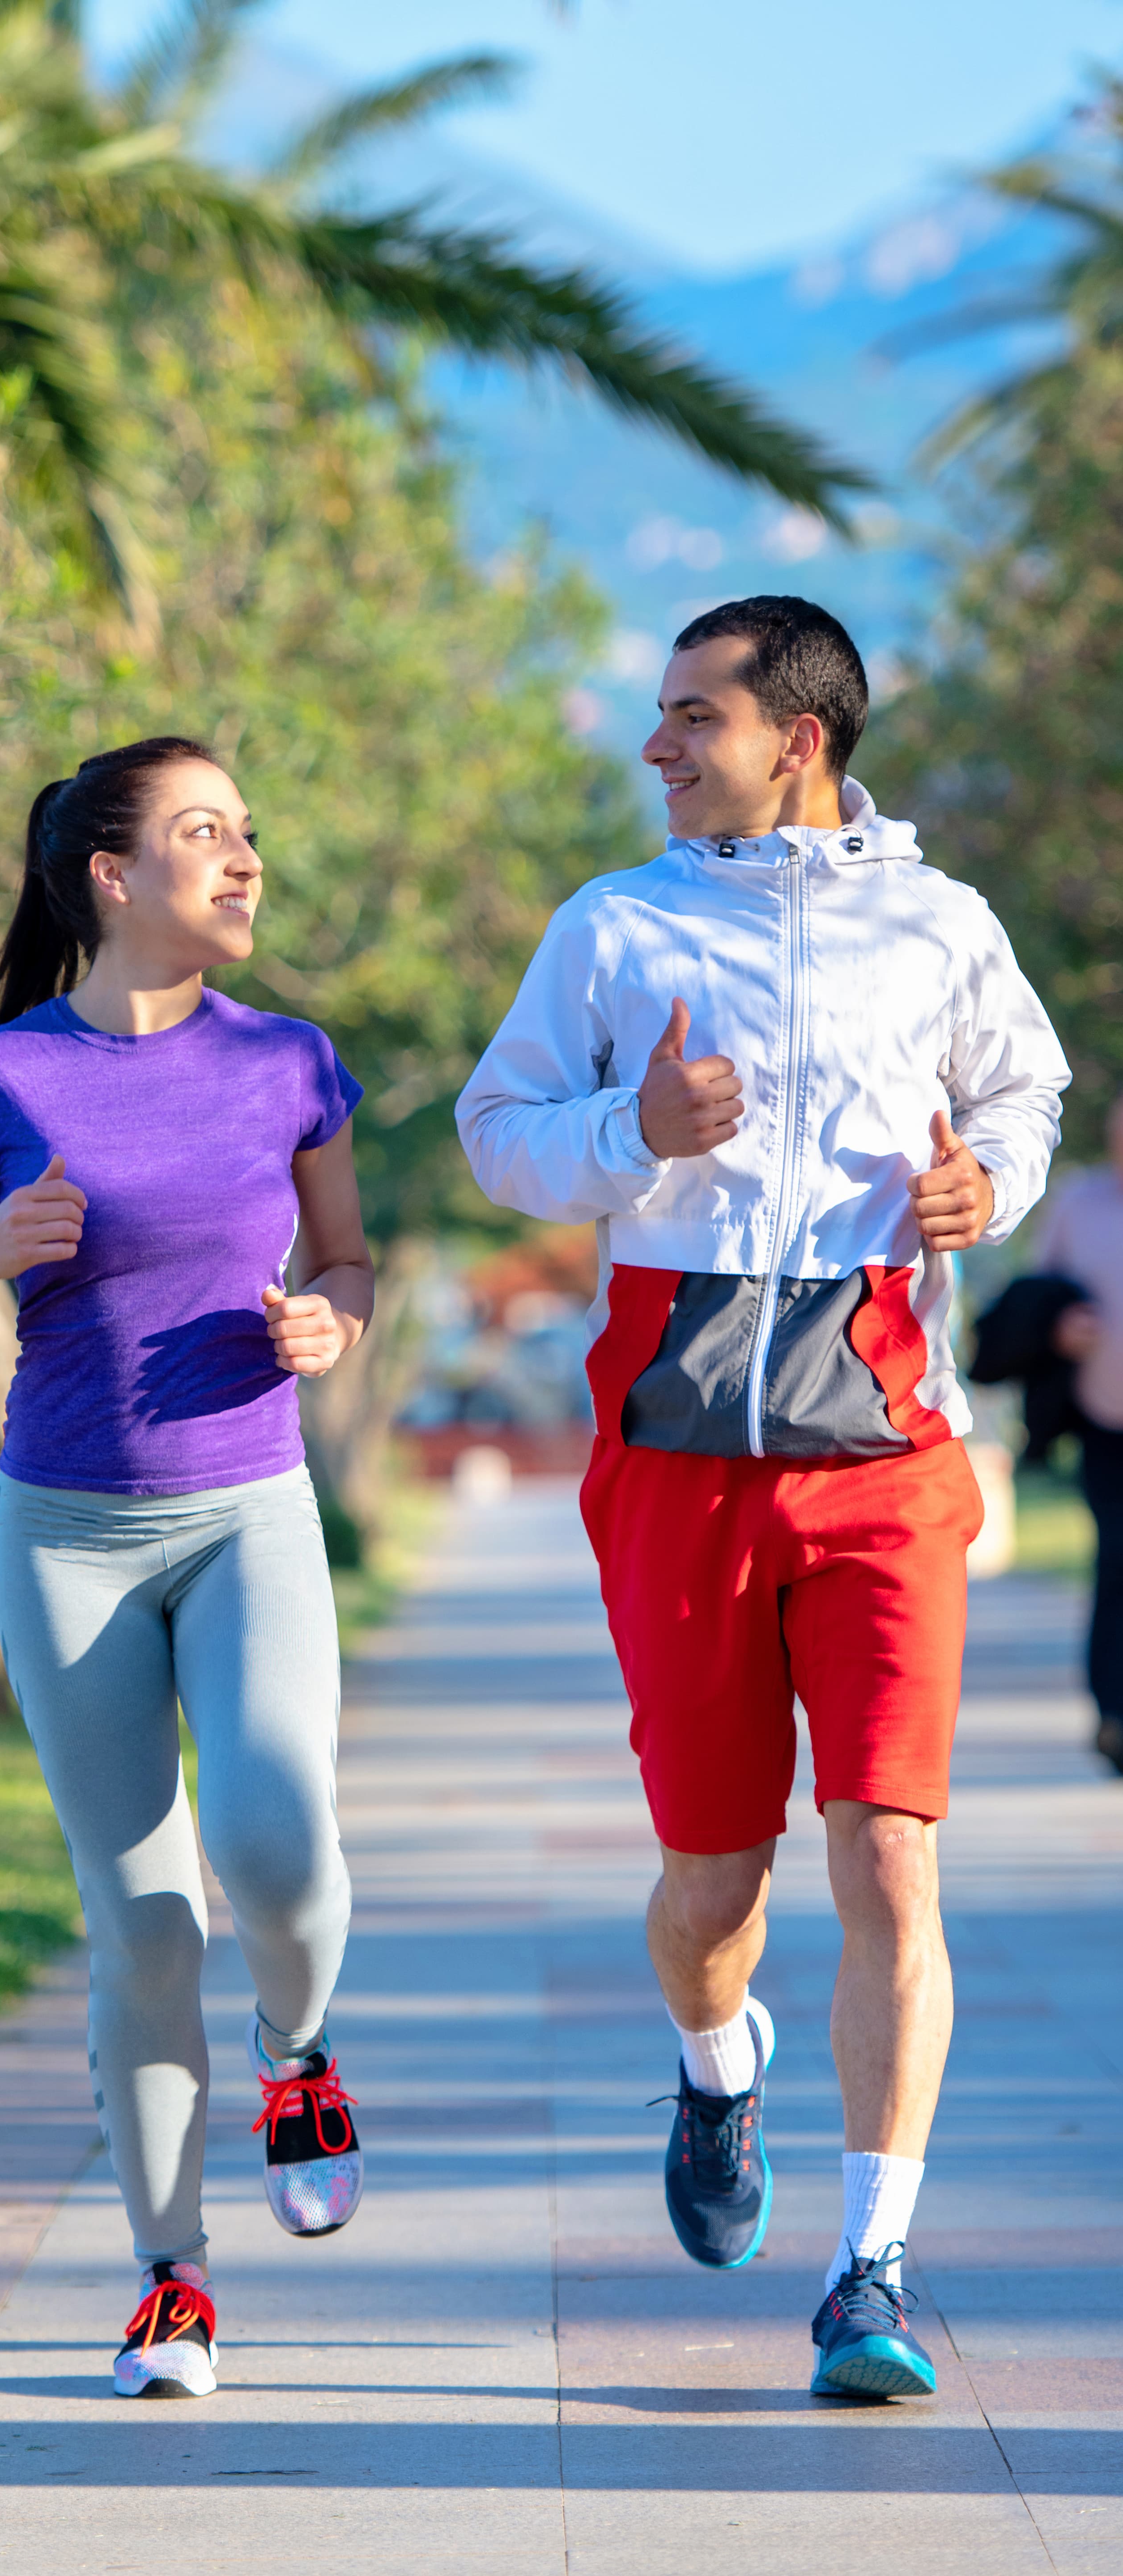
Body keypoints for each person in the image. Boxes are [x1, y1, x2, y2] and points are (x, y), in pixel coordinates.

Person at [456, 597, 1070, 2401]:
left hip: (887, 1439)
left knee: (889, 1849)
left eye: (689, 719)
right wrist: (632, 1133)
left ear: (795, 739)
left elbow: (1022, 1095)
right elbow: (503, 1133)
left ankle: (869, 2271)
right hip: (680, 1446)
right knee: (710, 1881)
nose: (655, 747)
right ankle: (719, 2070)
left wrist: (987, 1198)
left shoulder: (941, 925)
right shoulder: (618, 924)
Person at [0, 737, 373, 2400]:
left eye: (249, 833)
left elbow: (348, 1255)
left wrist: (331, 1321)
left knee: (276, 1840)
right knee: (144, 1916)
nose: (246, 863)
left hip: (249, 1511)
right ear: (110, 874)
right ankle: (174, 2280)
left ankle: (299, 2052)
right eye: (206, 834)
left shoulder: (293, 1061)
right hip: (68, 1536)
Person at [1037, 1092, 1123, 1774]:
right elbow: (1038, 1299)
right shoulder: (1078, 1201)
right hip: (1106, 1418)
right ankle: (1114, 1713)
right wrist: (1060, 1328)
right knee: (1117, 1560)